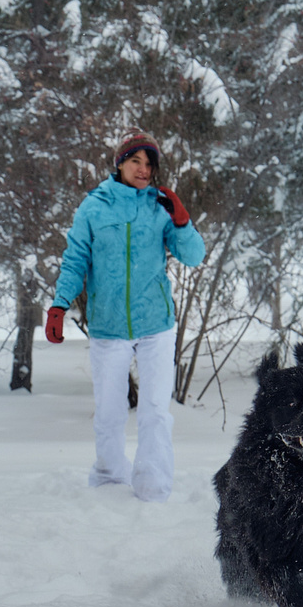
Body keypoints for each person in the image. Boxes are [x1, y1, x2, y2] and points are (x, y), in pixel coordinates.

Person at [45, 129, 206, 500]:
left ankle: (153, 488)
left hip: (156, 325)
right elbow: (74, 261)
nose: (144, 169)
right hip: (108, 325)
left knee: (154, 411)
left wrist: (181, 222)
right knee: (109, 412)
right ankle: (108, 479)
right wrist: (59, 304)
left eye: (150, 163)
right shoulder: (94, 207)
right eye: (136, 161)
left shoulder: (159, 207)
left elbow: (194, 257)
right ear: (120, 163)